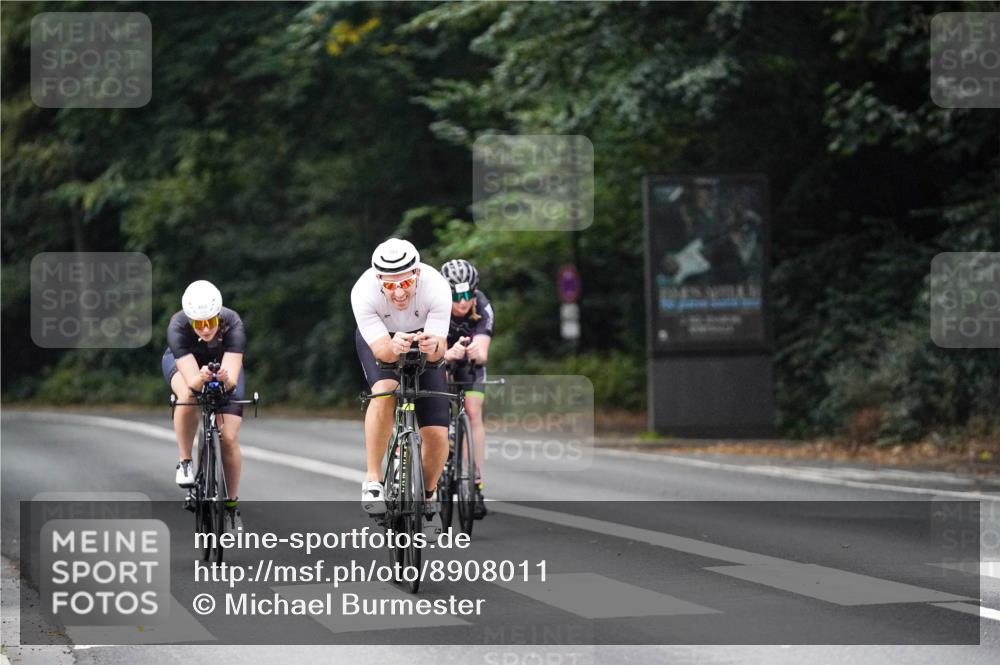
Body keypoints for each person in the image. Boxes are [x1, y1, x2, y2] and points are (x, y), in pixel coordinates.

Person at [351, 238, 452, 536]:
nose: (398, 292)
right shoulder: (363, 291)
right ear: (379, 279)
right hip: (382, 339)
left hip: (425, 339)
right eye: (390, 285)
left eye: (405, 282)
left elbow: (438, 351)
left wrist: (432, 345)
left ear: (417, 274)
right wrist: (393, 347)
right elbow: (382, 352)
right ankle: (373, 479)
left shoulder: (436, 286)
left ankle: (429, 497)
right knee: (384, 390)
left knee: (436, 433)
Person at [162, 280, 246, 531]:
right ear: (190, 321)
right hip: (186, 367)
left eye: (211, 321)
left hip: (222, 366)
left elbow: (231, 382)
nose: (206, 329)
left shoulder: (233, 323)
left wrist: (224, 379)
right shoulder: (177, 326)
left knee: (228, 437)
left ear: (219, 315)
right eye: (199, 324)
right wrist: (200, 379)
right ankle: (185, 460)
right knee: (187, 395)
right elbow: (193, 383)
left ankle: (231, 506)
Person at [440, 259, 494, 519]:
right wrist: (449, 354)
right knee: (434, 405)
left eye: (468, 295)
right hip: (441, 360)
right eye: (456, 296)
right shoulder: (435, 305)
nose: (463, 302)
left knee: (473, 412)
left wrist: (475, 352)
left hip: (470, 366)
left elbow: (483, 354)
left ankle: (475, 483)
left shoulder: (482, 305)